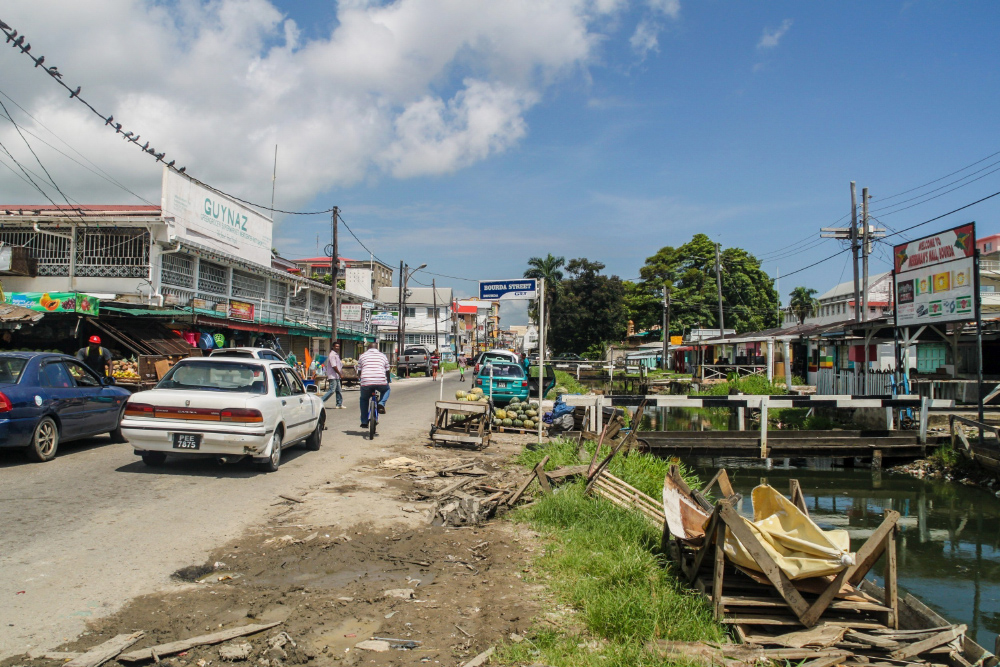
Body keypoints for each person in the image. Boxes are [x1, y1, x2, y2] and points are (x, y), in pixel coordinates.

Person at [357, 341, 390, 429]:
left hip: (366, 381)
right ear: (377, 348)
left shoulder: (362, 356)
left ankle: (364, 421)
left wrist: (360, 379)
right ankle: (381, 403)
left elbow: (359, 371)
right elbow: (387, 370)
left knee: (364, 399)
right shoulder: (383, 356)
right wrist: (388, 380)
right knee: (387, 389)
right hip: (380, 380)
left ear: (368, 348)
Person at [321, 342, 345, 408]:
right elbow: (334, 366)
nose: (337, 348)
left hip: (336, 376)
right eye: (336, 346)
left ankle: (339, 404)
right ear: (333, 347)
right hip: (333, 375)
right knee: (332, 390)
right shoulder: (332, 355)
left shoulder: (336, 355)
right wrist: (340, 374)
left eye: (338, 346)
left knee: (339, 390)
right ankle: (320, 401)